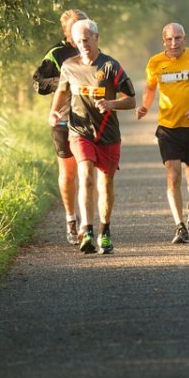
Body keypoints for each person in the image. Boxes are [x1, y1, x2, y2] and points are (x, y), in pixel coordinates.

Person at [48, 18, 136, 254]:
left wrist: (110, 103)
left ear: (97, 38)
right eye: (78, 41)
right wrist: (54, 112)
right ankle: (87, 231)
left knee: (105, 184)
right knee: (85, 172)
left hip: (107, 134)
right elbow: (62, 90)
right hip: (80, 130)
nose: (83, 44)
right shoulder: (68, 66)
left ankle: (104, 231)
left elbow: (131, 100)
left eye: (87, 39)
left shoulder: (111, 67)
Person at [136, 22, 189, 244]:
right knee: (173, 177)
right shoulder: (155, 62)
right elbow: (151, 87)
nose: (174, 42)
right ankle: (179, 225)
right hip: (168, 128)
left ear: (185, 39)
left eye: (178, 38)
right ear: (163, 41)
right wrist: (144, 106)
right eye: (170, 39)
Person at [32, 9, 88, 244]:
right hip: (63, 119)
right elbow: (39, 83)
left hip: (87, 119)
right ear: (66, 31)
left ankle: (88, 223)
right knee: (69, 173)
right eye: (75, 28)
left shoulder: (91, 48)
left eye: (83, 27)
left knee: (87, 172)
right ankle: (70, 219)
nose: (79, 33)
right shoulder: (56, 53)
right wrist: (65, 83)